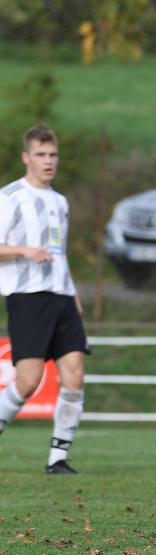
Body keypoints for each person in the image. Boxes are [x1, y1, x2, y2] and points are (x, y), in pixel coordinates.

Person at [0, 124, 90, 475]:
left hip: (62, 297)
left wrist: (74, 292)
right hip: (28, 298)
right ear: (26, 158)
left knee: (75, 375)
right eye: (40, 154)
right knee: (28, 381)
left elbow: (60, 253)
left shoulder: (59, 201)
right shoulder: (9, 198)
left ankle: (58, 458)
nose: (48, 161)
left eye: (52, 154)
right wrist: (22, 250)